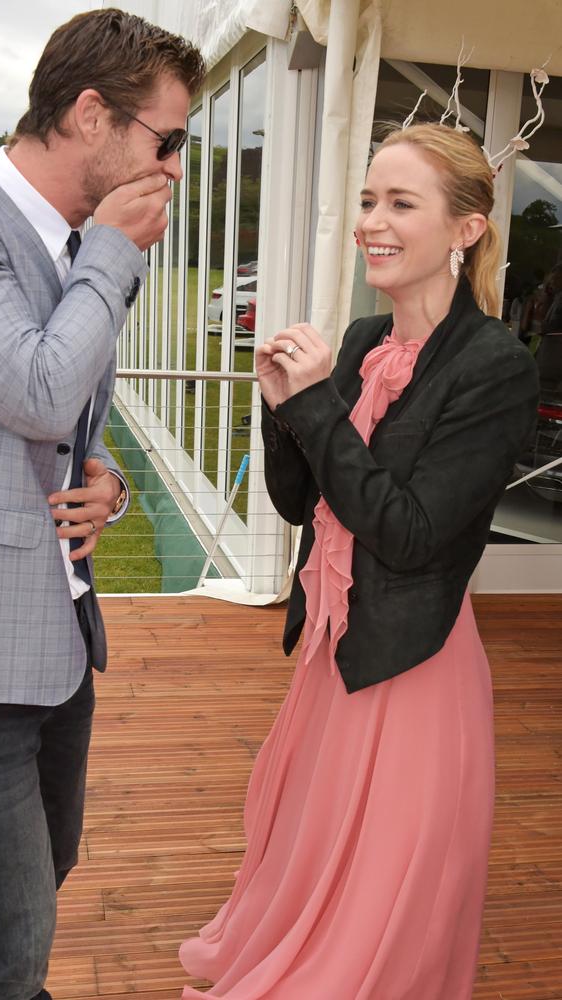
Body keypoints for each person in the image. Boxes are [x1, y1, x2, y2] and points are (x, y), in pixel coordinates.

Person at [179, 124, 538, 998]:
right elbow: (303, 502)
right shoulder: (366, 338)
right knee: (321, 847)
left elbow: (411, 534)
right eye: (370, 199)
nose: (373, 220)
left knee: (383, 879)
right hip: (334, 648)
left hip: (409, 668)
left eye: (400, 203)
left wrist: (317, 409)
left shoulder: (494, 366)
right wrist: (280, 407)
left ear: (465, 230)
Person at [0, 9, 204, 1000]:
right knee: (12, 941)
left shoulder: (72, 241)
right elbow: (34, 387)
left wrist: (110, 481)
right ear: (91, 114)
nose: (172, 168)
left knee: (34, 888)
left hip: (56, 637)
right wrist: (115, 256)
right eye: (166, 140)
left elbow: (57, 417)